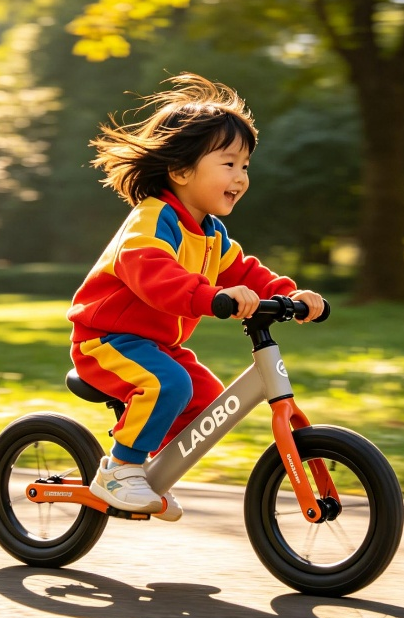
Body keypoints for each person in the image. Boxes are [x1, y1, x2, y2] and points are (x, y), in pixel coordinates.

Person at [66, 73, 325, 520]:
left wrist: (289, 293)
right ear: (182, 170)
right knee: (170, 384)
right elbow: (151, 272)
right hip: (106, 340)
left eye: (245, 166)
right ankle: (120, 469)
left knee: (207, 402)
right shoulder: (152, 218)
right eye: (228, 163)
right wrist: (210, 297)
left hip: (159, 345)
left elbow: (245, 270)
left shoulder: (209, 230)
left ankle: (150, 475)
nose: (241, 177)